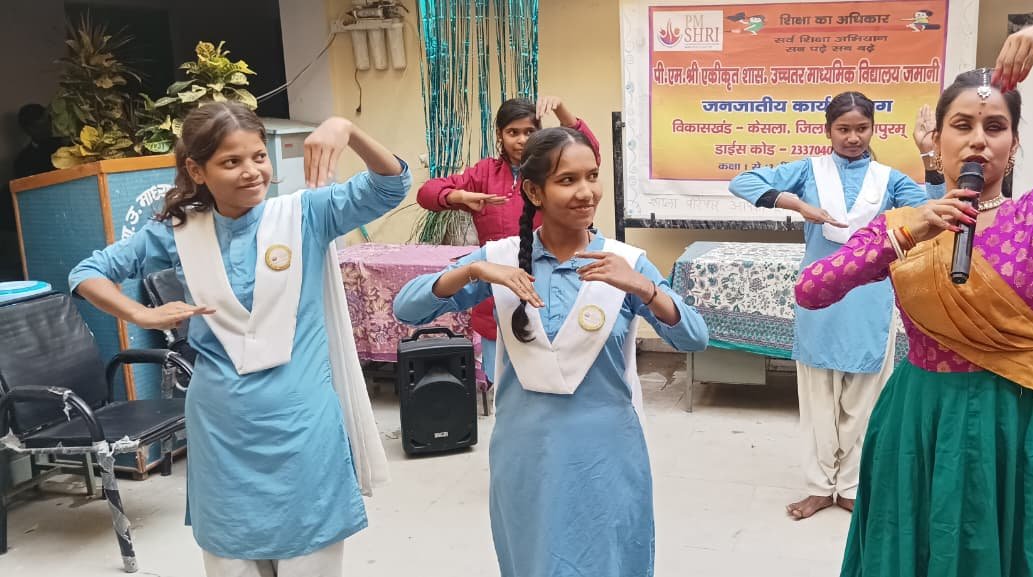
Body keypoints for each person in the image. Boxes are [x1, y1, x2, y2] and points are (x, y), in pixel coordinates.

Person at [797, 20, 1033, 576]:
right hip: (918, 419)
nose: (978, 139)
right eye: (961, 125)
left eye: (996, 126)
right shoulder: (902, 223)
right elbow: (811, 290)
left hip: (1007, 418)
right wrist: (906, 234)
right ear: (937, 141)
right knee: (913, 545)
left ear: (1013, 146)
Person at [69, 102, 406, 577]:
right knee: (232, 562)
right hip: (222, 430)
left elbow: (390, 184)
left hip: (301, 426)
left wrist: (348, 129)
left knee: (310, 558)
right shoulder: (178, 232)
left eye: (258, 157)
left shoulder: (305, 215)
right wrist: (139, 311)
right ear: (196, 170)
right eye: (231, 162)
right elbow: (87, 273)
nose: (252, 172)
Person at [393, 127, 707, 577]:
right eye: (567, 180)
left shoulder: (626, 262)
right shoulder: (501, 258)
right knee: (534, 560)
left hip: (605, 453)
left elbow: (694, 338)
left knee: (608, 560)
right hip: (527, 452)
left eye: (592, 176)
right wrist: (471, 270)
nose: (586, 192)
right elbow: (408, 307)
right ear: (533, 191)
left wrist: (645, 287)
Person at [727, 92, 942, 520]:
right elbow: (743, 182)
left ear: (873, 129)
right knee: (817, 400)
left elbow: (935, 209)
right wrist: (798, 204)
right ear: (828, 131)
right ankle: (818, 487)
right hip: (819, 299)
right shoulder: (809, 171)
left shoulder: (888, 179)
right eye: (843, 129)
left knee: (864, 400)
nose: (853, 138)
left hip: (871, 300)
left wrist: (929, 155)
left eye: (861, 129)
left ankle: (851, 486)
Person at [417, 96, 599, 384]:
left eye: (529, 131)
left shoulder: (551, 170)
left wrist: (562, 108)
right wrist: (458, 196)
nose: (521, 140)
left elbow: (590, 150)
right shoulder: (484, 173)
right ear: (500, 135)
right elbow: (427, 193)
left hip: (547, 283)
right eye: (513, 132)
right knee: (502, 380)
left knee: (558, 374)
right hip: (496, 291)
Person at [13, 103, 61, 178]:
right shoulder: (22, 161)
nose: (45, 129)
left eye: (46, 124)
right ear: (26, 130)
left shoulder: (67, 145)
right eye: (38, 127)